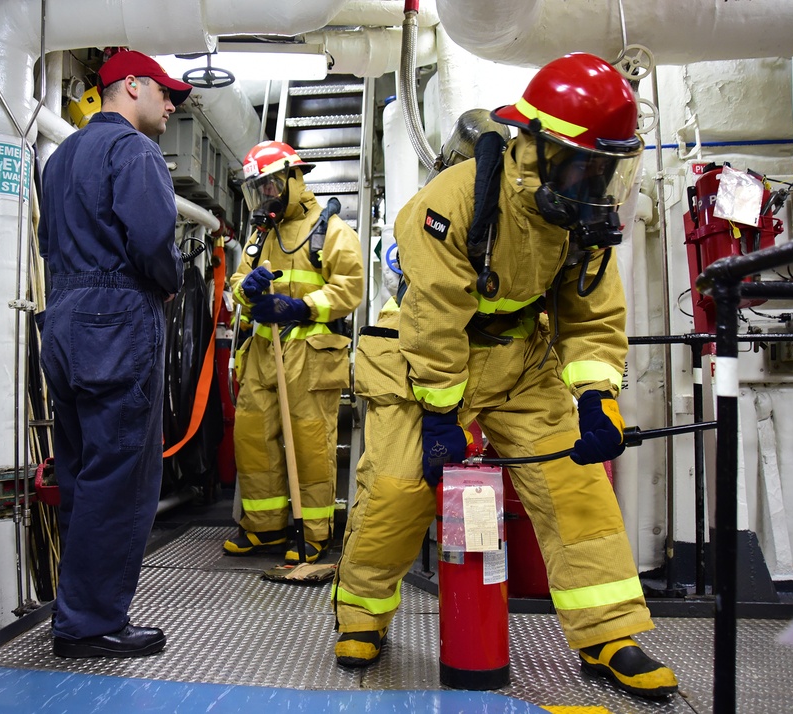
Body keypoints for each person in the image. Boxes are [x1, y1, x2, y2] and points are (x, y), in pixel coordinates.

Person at [332, 53, 679, 700]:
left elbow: (591, 314)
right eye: (586, 162)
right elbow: (434, 316)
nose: (597, 177)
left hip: (521, 363)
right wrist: (440, 418)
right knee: (397, 489)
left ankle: (608, 632)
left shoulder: (583, 210)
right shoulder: (457, 200)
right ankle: (360, 615)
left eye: (607, 165)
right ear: (540, 147)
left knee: (574, 484)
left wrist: (598, 397)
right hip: (427, 360)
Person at [37, 50, 192, 658]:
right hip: (118, 320)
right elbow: (154, 240)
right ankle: (91, 623)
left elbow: (51, 242)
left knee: (80, 473)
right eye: (165, 93)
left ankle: (76, 609)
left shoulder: (61, 159)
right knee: (123, 476)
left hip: (65, 320)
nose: (171, 104)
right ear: (131, 86)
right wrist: (171, 278)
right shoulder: (134, 151)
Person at [223, 140, 364, 564]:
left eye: (270, 185)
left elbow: (350, 288)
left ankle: (313, 532)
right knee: (252, 440)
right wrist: (245, 291)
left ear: (293, 179)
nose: (265, 194)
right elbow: (239, 280)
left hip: (311, 354)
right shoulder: (261, 233)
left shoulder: (331, 229)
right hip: (264, 351)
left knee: (309, 445)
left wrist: (302, 306)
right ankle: (264, 528)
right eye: (259, 187)